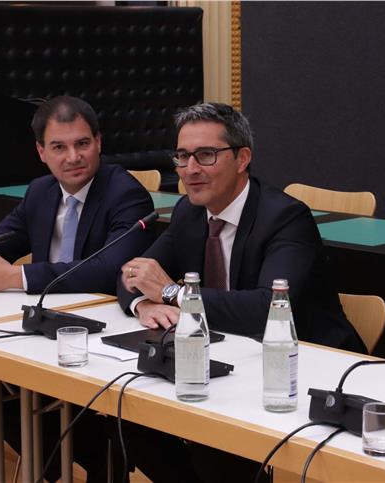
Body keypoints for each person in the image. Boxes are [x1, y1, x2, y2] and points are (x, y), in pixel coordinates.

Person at [116, 102, 364, 482]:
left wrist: (171, 293)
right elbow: (132, 272)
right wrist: (142, 304)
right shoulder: (189, 212)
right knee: (131, 416)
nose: (190, 169)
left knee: (208, 441)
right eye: (182, 156)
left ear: (242, 158)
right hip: (228, 360)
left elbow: (268, 309)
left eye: (206, 155)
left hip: (305, 371)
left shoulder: (285, 217)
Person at [0, 95, 155, 482]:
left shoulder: (125, 193)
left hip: (103, 337)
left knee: (6, 398)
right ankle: (89, 458)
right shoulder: (41, 191)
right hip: (45, 331)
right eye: (59, 147)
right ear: (41, 152)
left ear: (99, 142)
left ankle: (100, 456)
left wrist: (14, 277)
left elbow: (108, 270)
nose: (73, 157)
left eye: (82, 143)